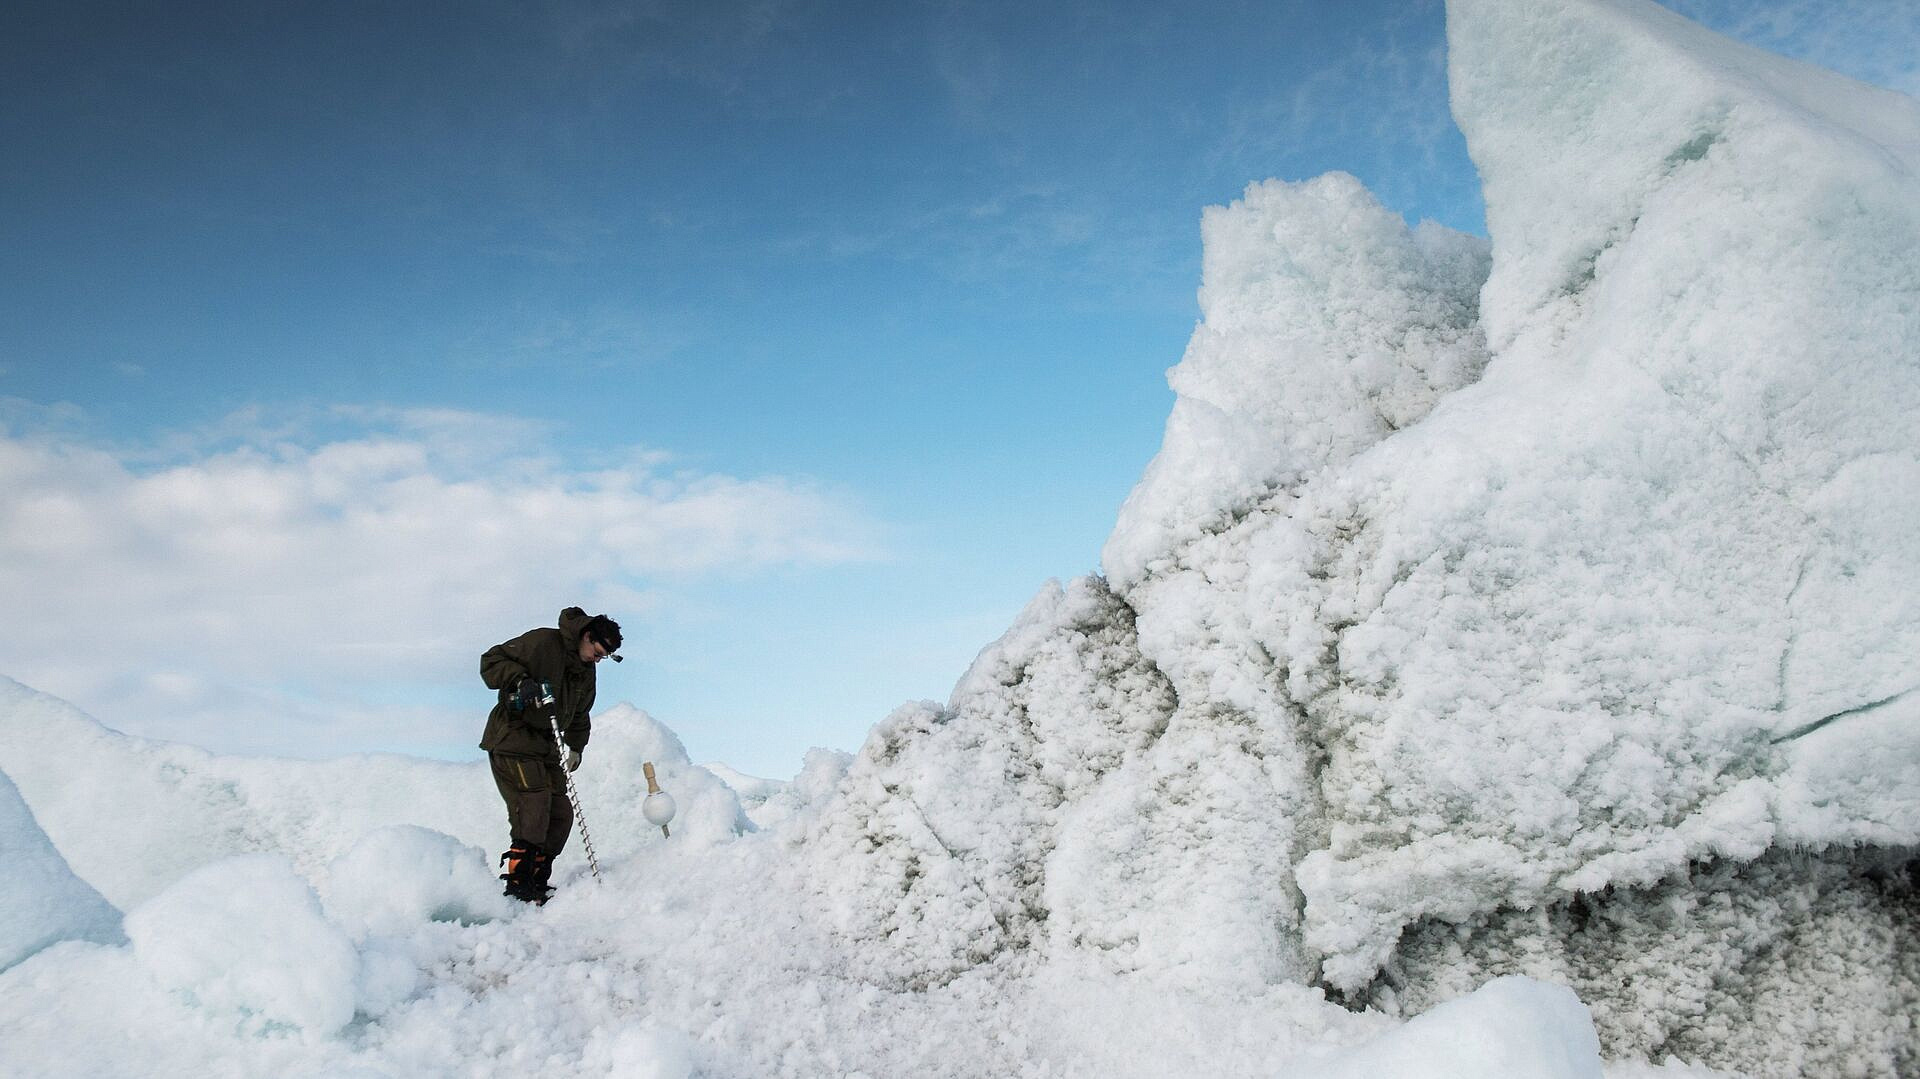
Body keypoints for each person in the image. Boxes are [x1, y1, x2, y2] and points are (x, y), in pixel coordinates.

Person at [480, 606, 621, 902]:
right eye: (597, 652)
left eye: (603, 657)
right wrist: (520, 680)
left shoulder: (586, 672)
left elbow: (581, 713)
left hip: (548, 746)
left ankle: (538, 878)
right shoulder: (543, 643)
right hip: (513, 739)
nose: (598, 660)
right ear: (586, 635)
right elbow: (491, 661)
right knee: (535, 800)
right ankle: (518, 885)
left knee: (561, 813)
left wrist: (577, 747)